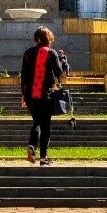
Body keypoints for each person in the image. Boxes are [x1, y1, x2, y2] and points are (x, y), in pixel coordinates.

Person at [20, 26, 66, 167]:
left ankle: (32, 146)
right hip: (45, 94)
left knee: (37, 122)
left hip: (30, 95)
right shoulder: (51, 53)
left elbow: (24, 76)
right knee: (45, 126)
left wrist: (23, 95)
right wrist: (63, 63)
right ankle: (43, 158)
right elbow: (59, 74)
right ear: (49, 38)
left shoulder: (27, 53)